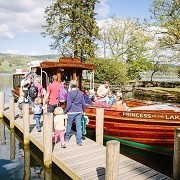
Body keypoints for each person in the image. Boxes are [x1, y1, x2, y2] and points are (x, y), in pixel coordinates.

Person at [64, 80, 86, 146]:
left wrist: (65, 111)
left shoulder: (70, 93)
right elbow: (83, 104)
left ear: (70, 85)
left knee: (69, 124)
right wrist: (84, 110)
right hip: (79, 111)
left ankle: (67, 137)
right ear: (76, 85)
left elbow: (69, 104)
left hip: (71, 111)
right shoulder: (80, 93)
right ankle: (79, 141)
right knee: (78, 126)